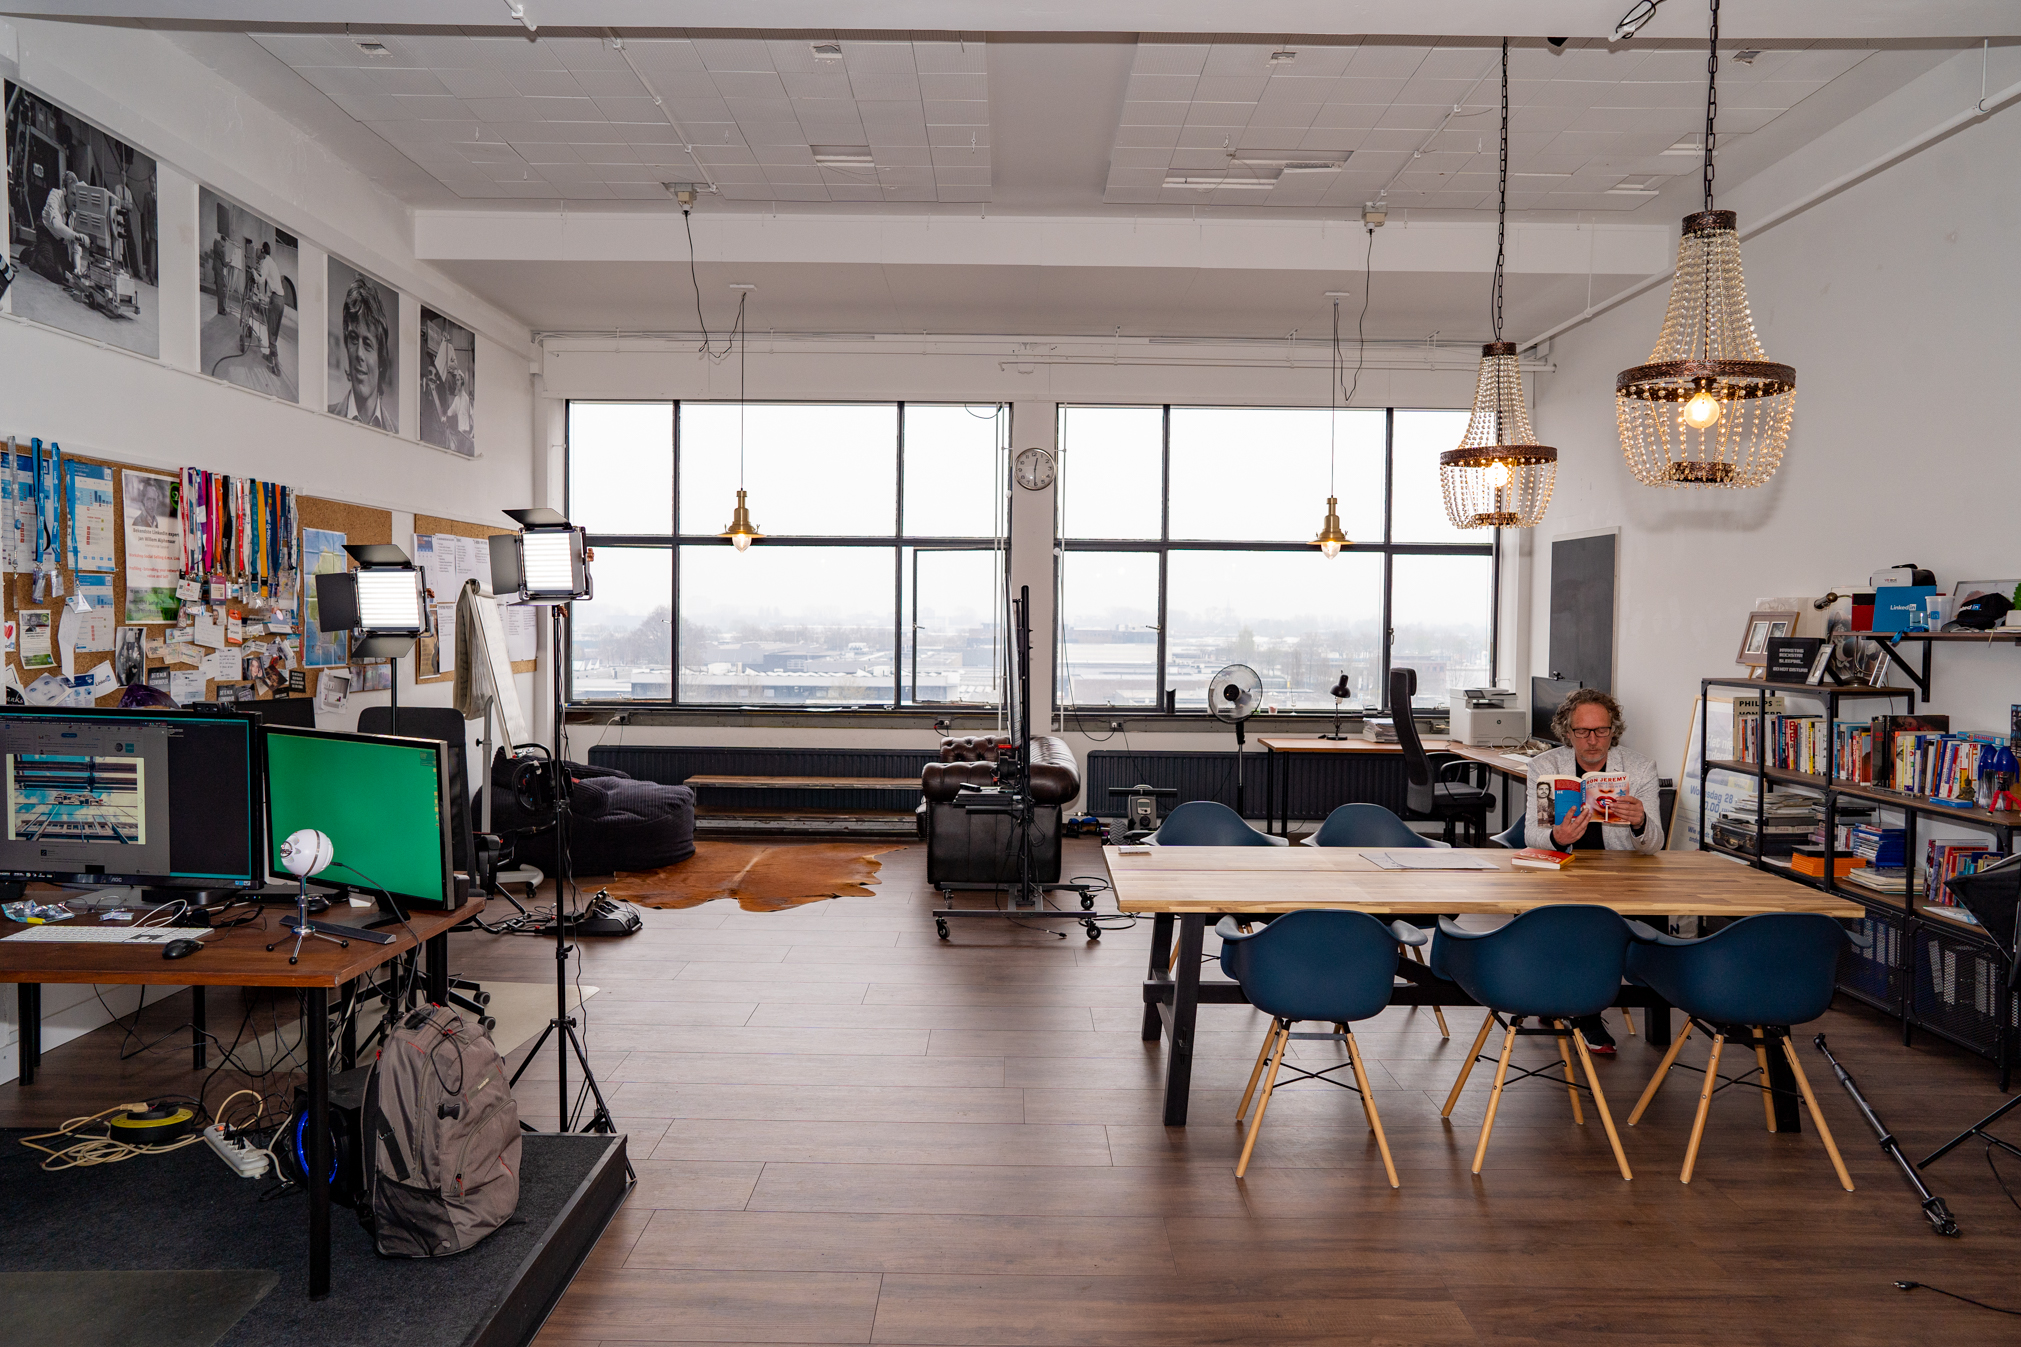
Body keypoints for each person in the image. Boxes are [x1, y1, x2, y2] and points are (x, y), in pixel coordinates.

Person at [1522, 687, 1665, 1054]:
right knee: (1572, 918)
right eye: (1582, 731)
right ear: (1566, 732)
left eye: (1601, 730)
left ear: (1613, 730)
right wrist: (1557, 836)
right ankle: (1580, 1009)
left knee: (1604, 920)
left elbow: (1654, 845)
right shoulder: (1545, 767)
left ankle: (1572, 1002)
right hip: (1562, 873)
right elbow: (1532, 836)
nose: (1592, 741)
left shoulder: (1639, 768)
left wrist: (1639, 823)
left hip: (1620, 876)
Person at [329, 275, 393, 431]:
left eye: (367, 344)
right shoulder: (328, 417)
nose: (359, 354)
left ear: (381, 358)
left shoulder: (396, 431)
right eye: (353, 339)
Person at [256, 241, 283, 369]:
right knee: (275, 331)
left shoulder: (266, 262)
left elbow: (261, 280)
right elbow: (271, 283)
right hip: (281, 300)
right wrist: (266, 297)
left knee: (271, 330)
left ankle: (276, 366)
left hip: (275, 300)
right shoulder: (273, 263)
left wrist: (253, 272)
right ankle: (270, 356)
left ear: (262, 252)